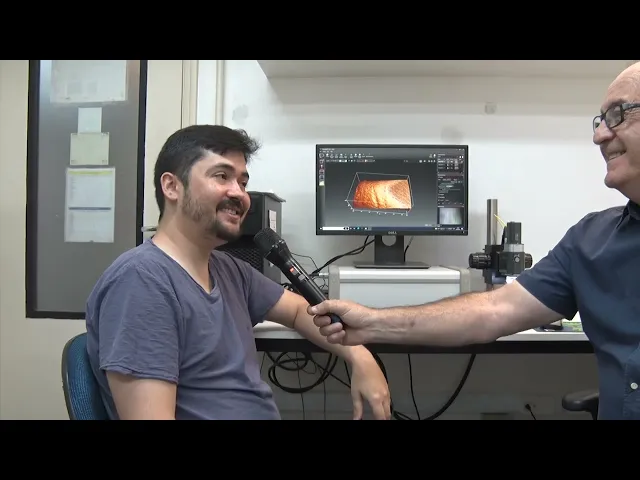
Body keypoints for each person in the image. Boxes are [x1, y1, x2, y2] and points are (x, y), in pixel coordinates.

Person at [308, 61, 640, 420]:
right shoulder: (589, 243)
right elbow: (493, 311)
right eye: (599, 120)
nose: (599, 136)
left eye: (618, 114)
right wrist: (372, 322)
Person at [85, 124, 391, 420]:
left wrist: (359, 356)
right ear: (172, 186)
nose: (240, 194)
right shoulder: (142, 282)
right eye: (222, 176)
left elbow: (300, 310)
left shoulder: (228, 269)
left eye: (243, 182)